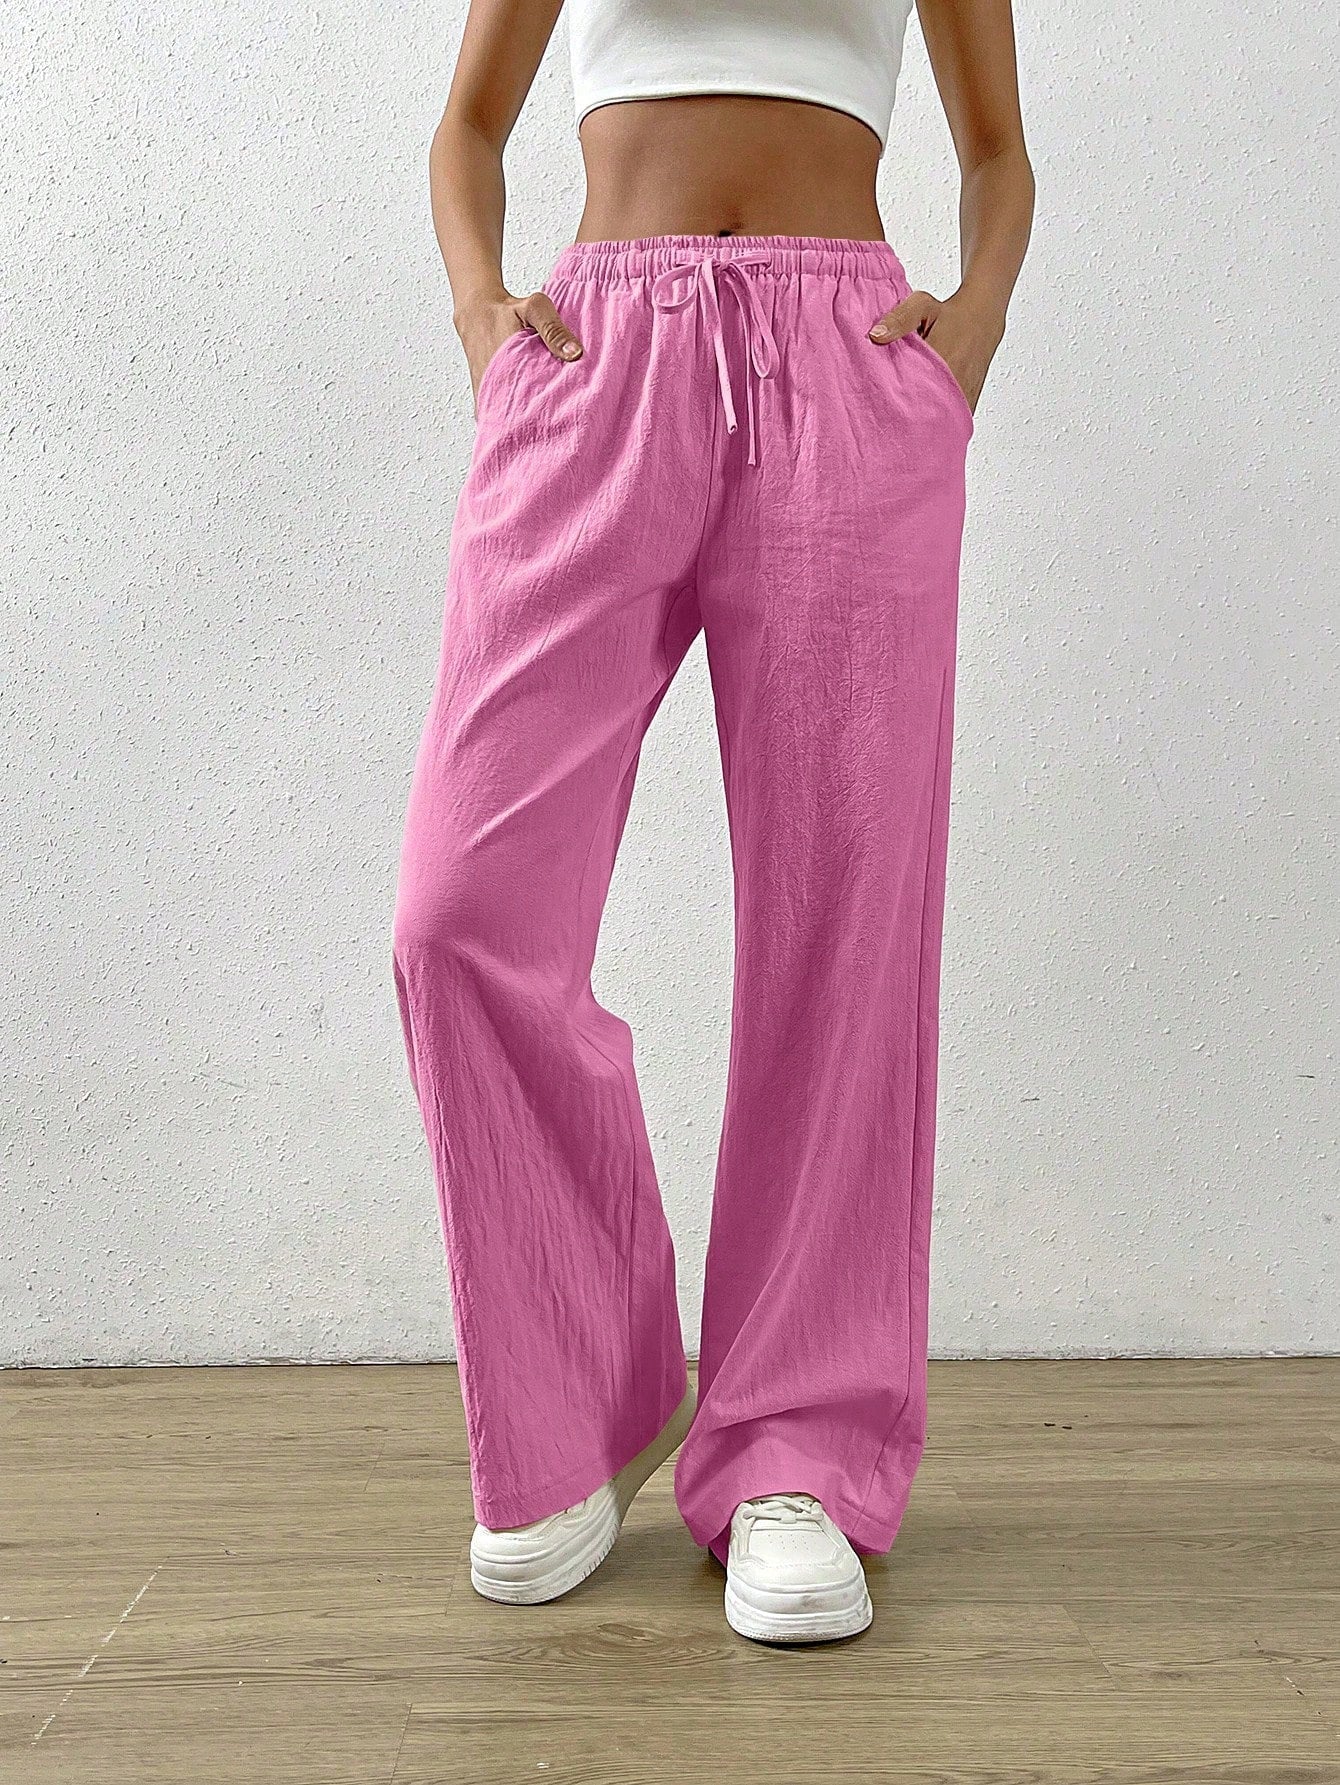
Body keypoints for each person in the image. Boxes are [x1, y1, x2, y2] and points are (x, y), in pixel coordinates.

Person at [392, 0, 1033, 1643]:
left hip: (848, 365)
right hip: (597, 361)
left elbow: (997, 153)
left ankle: (795, 1444)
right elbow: (469, 126)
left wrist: (967, 335)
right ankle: (578, 1400)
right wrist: (481, 312)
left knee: (844, 920)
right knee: (459, 915)